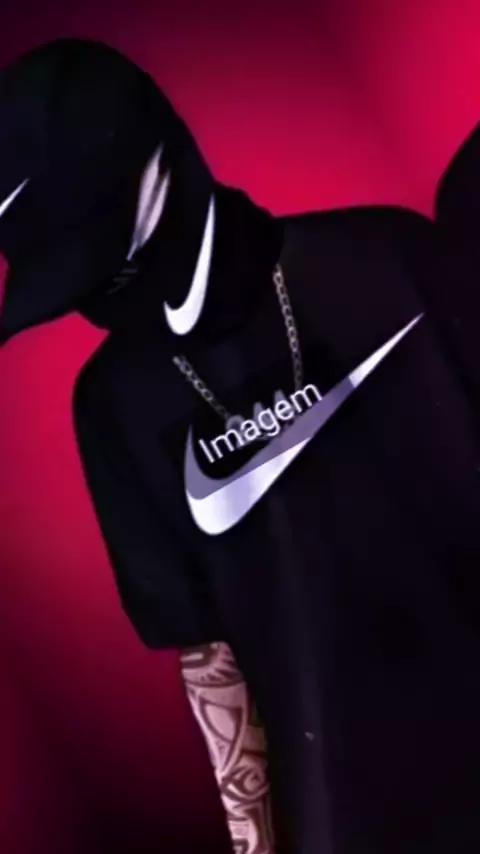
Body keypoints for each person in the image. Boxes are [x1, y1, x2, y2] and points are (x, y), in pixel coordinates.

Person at [0, 37, 479, 854]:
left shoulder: (395, 257)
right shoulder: (114, 407)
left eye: (92, 256)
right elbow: (209, 664)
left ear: (158, 164)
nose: (87, 297)